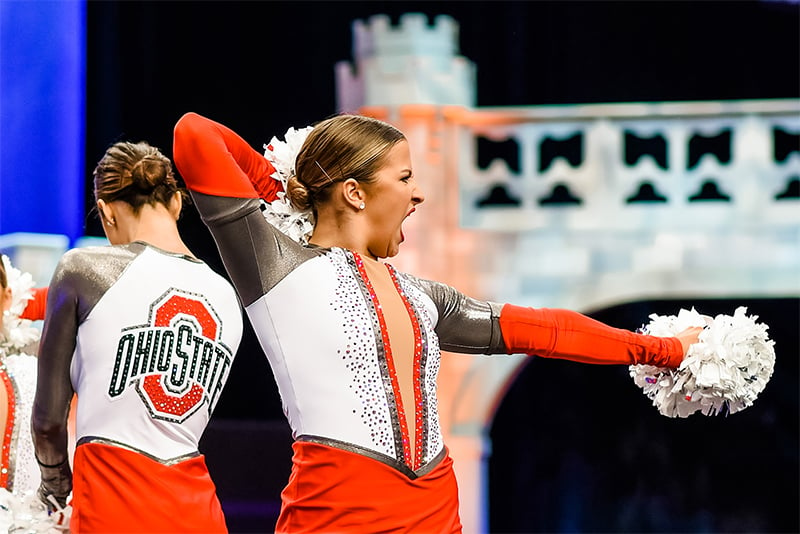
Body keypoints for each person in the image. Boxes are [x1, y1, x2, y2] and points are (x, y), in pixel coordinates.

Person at [172, 111, 702, 533]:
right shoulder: (274, 266)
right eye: (404, 179)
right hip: (336, 517)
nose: (418, 194)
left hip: (434, 514)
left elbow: (542, 330)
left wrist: (661, 350)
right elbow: (195, 133)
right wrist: (282, 189)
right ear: (355, 193)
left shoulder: (422, 297)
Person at [32, 141, 244, 533]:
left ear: (108, 212)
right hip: (198, 511)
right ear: (177, 204)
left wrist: (54, 489)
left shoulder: (83, 268)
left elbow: (47, 423)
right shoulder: (227, 295)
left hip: (112, 504)